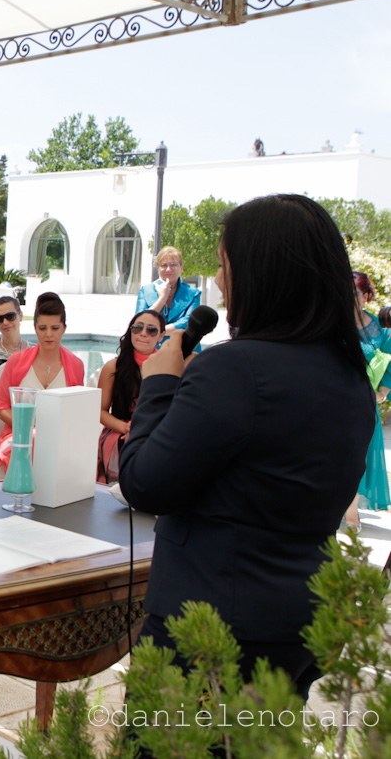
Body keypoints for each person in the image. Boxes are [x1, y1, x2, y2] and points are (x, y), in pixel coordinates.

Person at [120, 194, 372, 703]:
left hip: (209, 630)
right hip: (298, 625)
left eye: (223, 263)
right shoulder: (350, 379)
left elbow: (145, 482)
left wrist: (161, 384)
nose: (219, 280)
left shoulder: (235, 369)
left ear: (261, 272)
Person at [0, 292, 85, 474]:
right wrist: (28, 425)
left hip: (60, 438)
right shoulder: (16, 362)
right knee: (33, 439)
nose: (48, 334)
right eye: (42, 328)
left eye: (55, 328)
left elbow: (77, 410)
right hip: (18, 435)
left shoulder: (76, 365)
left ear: (64, 328)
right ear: (35, 328)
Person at [95, 310, 163, 484]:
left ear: (161, 336)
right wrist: (126, 428)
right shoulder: (113, 367)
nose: (143, 333)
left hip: (156, 431)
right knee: (119, 444)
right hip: (119, 430)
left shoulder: (168, 367)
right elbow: (100, 412)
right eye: (137, 328)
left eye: (151, 330)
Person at [353, 271, 390, 513]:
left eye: (352, 293)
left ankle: (352, 507)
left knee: (361, 453)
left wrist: (383, 391)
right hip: (335, 398)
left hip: (366, 401)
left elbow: (389, 362)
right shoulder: (331, 324)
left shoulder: (382, 329)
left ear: (366, 296)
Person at [135, 245, 201, 346]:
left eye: (173, 264)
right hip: (152, 350)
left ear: (181, 267)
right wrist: (162, 299)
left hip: (183, 349)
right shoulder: (145, 291)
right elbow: (139, 321)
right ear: (158, 268)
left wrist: (156, 331)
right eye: (164, 265)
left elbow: (187, 322)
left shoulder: (193, 293)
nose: (168, 269)